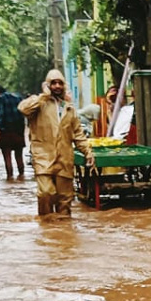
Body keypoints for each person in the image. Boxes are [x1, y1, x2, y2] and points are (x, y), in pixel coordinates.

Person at [18, 69, 94, 217]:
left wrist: (88, 152)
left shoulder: (69, 108)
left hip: (64, 159)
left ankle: (63, 234)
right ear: (47, 85)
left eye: (60, 83)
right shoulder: (38, 103)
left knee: (65, 199)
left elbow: (78, 134)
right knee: (46, 193)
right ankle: (46, 227)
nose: (57, 86)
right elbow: (22, 108)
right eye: (53, 83)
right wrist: (44, 96)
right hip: (43, 158)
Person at [0, 84, 26, 179]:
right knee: (19, 156)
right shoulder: (18, 97)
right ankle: (21, 175)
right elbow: (23, 115)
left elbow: (0, 116)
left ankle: (10, 176)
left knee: (7, 156)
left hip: (6, 131)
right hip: (18, 130)